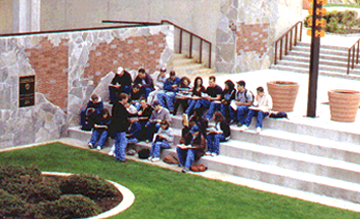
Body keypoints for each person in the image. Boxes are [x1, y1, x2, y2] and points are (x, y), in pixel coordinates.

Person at [111, 93, 132, 163]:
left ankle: (117, 156)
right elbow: (126, 115)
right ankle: (122, 158)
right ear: (123, 99)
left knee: (117, 142)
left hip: (115, 127)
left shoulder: (115, 106)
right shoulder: (121, 107)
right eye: (126, 99)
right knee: (122, 143)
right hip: (121, 128)